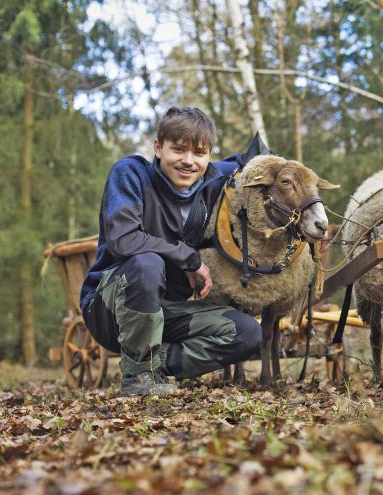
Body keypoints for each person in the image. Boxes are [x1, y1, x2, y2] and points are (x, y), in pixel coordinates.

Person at [80, 107, 261, 397]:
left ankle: (150, 363)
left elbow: (250, 161)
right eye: (178, 150)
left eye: (199, 153)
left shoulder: (214, 180)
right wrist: (188, 258)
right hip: (111, 307)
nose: (188, 161)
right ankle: (138, 379)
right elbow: (123, 240)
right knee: (146, 263)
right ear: (158, 148)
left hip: (166, 310)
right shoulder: (130, 173)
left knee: (247, 333)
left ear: (209, 155)